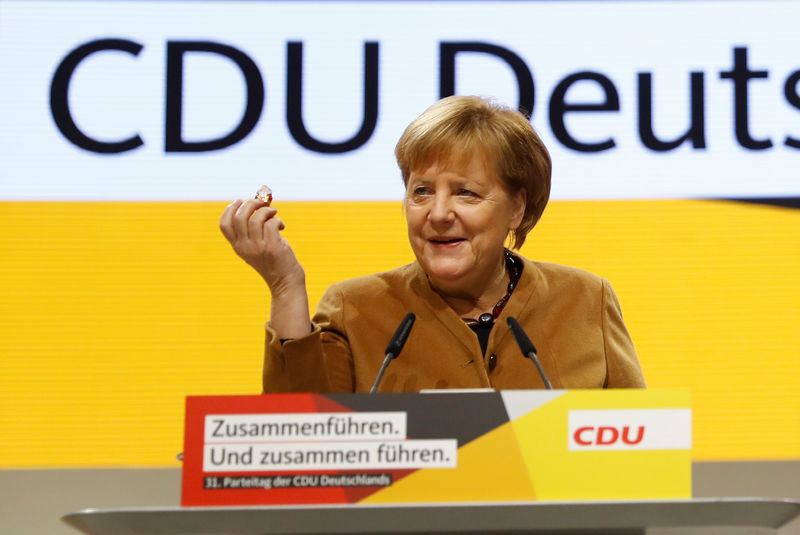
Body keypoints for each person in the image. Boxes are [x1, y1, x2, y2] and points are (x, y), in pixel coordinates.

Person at [220, 95, 646, 393]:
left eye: (466, 193)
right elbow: (297, 451)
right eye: (421, 191)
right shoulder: (356, 310)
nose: (438, 214)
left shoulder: (586, 301)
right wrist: (285, 286)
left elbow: (636, 455)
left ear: (517, 208)